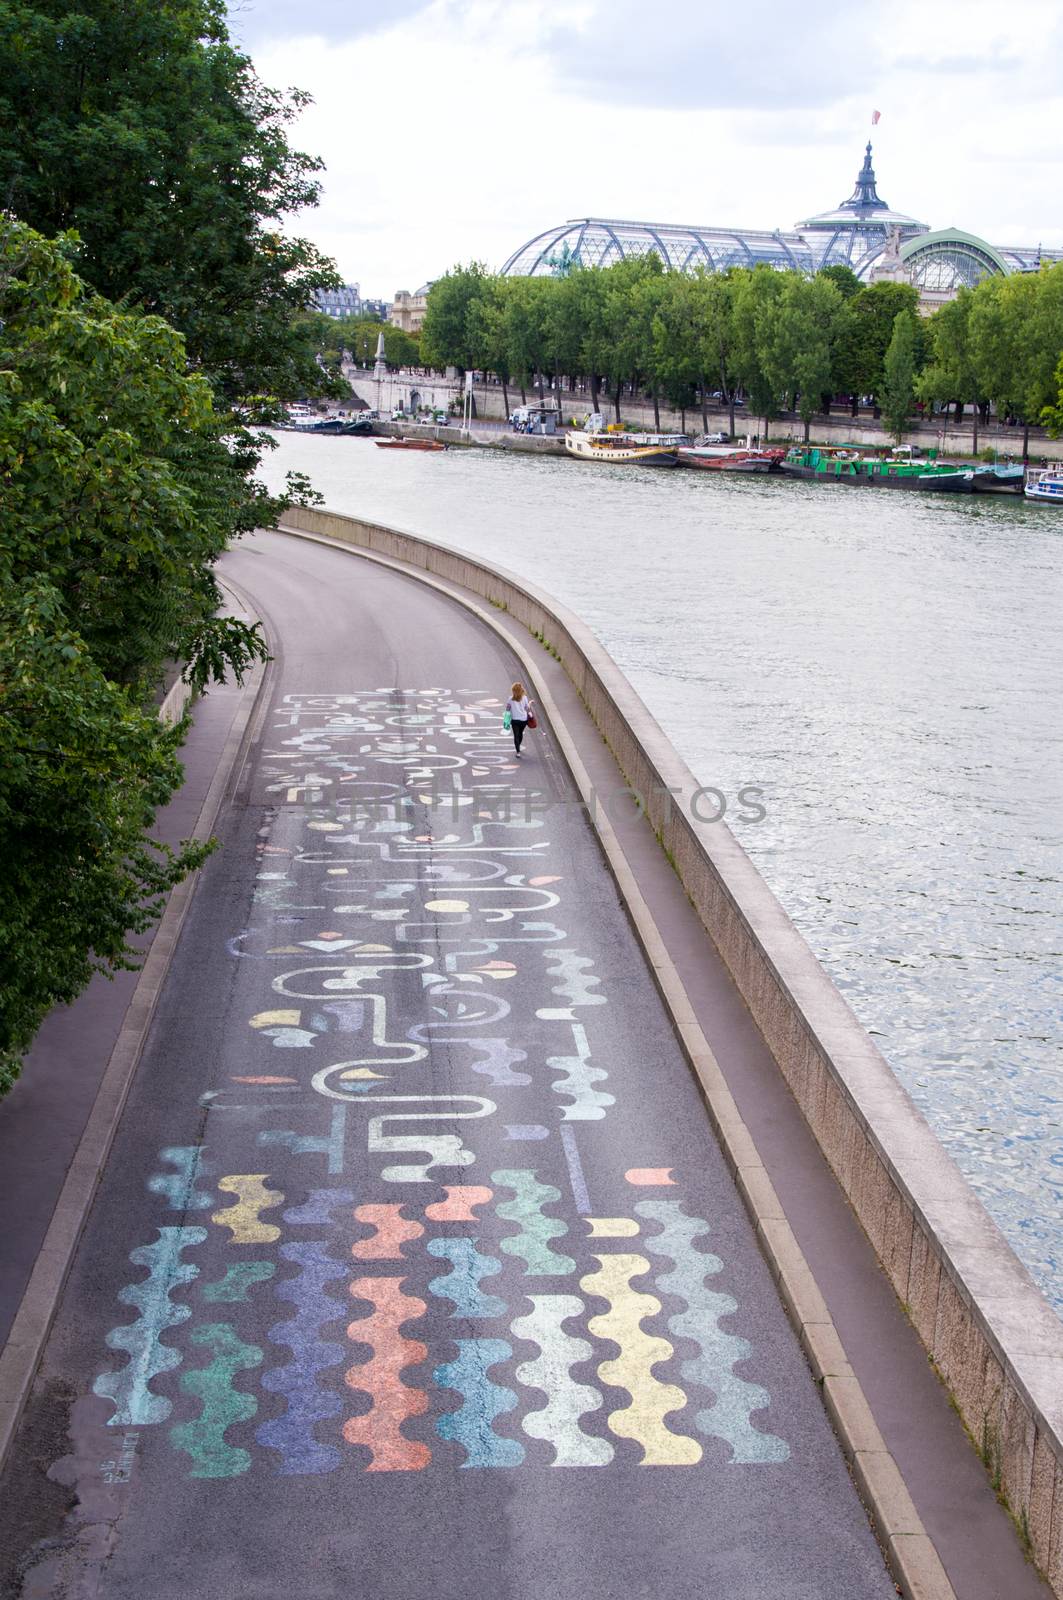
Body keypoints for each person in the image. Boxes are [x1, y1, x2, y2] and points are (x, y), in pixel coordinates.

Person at [506, 681, 532, 756]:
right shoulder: (525, 698)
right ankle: (519, 744)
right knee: (520, 733)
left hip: (514, 720)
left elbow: (507, 709)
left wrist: (508, 717)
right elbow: (527, 708)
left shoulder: (510, 699)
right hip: (523, 720)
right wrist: (530, 712)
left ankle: (518, 751)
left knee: (516, 735)